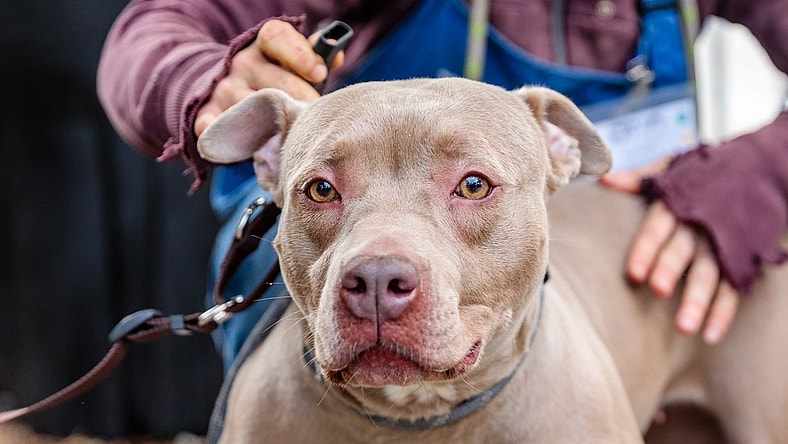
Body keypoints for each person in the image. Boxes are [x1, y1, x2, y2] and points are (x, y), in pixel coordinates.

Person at [97, 0, 787, 372]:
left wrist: (762, 173)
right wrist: (209, 83)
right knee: (271, 267)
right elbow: (155, 27)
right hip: (368, 247)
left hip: (627, 251)